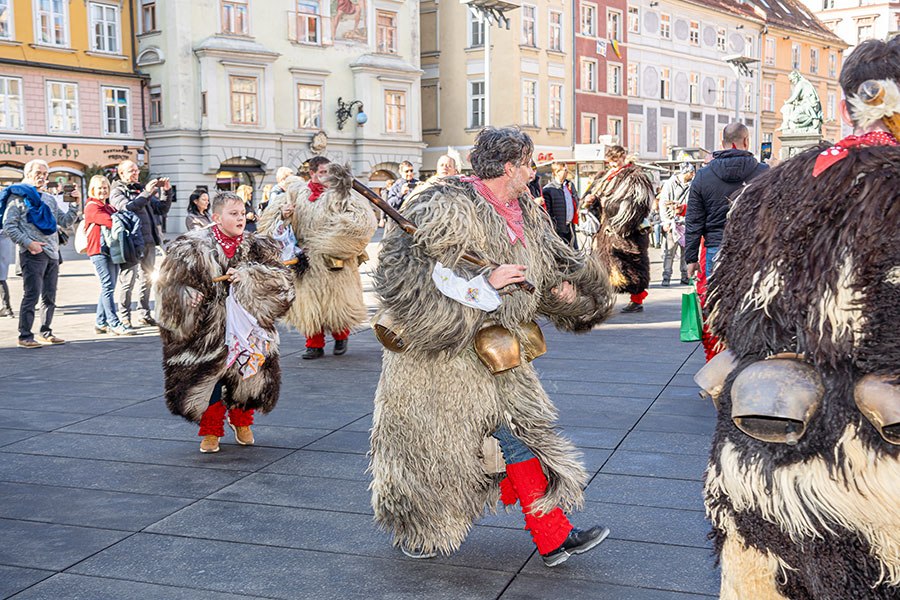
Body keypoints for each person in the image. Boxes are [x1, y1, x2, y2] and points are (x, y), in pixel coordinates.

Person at [700, 37, 900, 599]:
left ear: (844, 106)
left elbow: (731, 313)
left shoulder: (770, 188)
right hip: (875, 475)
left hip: (760, 456)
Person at [369, 126, 616, 566]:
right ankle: (421, 530)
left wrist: (572, 294)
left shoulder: (524, 210)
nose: (533, 169)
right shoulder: (443, 204)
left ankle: (553, 537)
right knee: (434, 452)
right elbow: (405, 275)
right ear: (510, 166)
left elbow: (551, 261)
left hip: (499, 356)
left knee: (521, 435)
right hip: (440, 360)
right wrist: (485, 283)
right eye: (528, 162)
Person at [156, 191, 295, 453]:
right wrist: (186, 294)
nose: (241, 218)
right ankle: (210, 430)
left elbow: (283, 280)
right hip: (209, 327)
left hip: (249, 326)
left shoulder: (258, 245)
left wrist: (251, 276)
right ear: (217, 217)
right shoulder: (192, 247)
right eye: (234, 214)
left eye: (242, 213)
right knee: (211, 377)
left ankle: (242, 421)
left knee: (249, 373)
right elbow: (167, 283)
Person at [258, 158, 376, 360]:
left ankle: (341, 337)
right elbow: (269, 226)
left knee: (338, 302)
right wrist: (283, 215)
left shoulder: (343, 193)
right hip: (306, 262)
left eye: (329, 172)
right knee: (309, 304)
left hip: (335, 259)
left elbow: (362, 221)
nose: (327, 176)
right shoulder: (295, 193)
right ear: (311, 173)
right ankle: (314, 344)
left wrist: (336, 238)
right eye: (322, 172)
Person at [1, 159, 79, 348]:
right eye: (38, 173)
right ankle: (25, 335)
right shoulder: (17, 197)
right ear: (28, 174)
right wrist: (29, 244)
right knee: (31, 295)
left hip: (52, 253)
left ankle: (46, 332)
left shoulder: (49, 198)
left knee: (49, 296)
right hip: (32, 254)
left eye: (45, 173)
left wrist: (75, 204)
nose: (42, 177)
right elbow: (9, 226)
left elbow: (65, 221)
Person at [685, 123, 768, 280]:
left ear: (722, 144)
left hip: (716, 246)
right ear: (746, 141)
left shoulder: (703, 175)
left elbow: (694, 219)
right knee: (751, 299)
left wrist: (691, 258)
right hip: (752, 247)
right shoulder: (764, 172)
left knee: (718, 299)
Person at [584, 145, 655, 313]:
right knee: (603, 265)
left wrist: (609, 205)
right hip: (605, 231)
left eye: (616, 161)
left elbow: (639, 204)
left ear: (624, 157)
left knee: (633, 265)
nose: (613, 165)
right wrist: (592, 201)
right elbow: (596, 200)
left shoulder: (636, 177)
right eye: (610, 162)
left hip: (628, 232)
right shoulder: (604, 177)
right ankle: (601, 300)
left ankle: (637, 300)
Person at [110, 160, 174, 328]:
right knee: (128, 281)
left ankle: (144, 313)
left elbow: (161, 209)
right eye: (131, 171)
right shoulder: (117, 191)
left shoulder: (139, 189)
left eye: (137, 170)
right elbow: (128, 208)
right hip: (130, 242)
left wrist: (166, 192)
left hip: (149, 241)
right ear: (121, 173)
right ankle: (124, 316)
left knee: (147, 279)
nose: (136, 173)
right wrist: (146, 193)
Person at [83, 175, 133, 336]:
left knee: (108, 287)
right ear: (92, 190)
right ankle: (114, 323)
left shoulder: (109, 206)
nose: (103, 191)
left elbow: (121, 219)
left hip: (112, 250)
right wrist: (123, 219)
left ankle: (100, 322)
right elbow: (113, 222)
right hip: (99, 251)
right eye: (99, 188)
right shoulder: (92, 206)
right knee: (107, 287)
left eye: (105, 188)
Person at [658, 162, 694, 286]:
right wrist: (665, 221)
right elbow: (663, 203)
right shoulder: (669, 184)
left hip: (686, 223)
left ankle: (685, 276)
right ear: (685, 173)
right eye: (691, 172)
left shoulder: (692, 185)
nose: (693, 174)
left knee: (686, 252)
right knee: (670, 252)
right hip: (672, 222)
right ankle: (666, 277)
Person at [541, 161, 579, 248]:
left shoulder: (570, 185)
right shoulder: (549, 189)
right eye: (565, 170)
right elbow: (547, 213)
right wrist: (553, 228)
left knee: (575, 252)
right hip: (558, 230)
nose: (567, 172)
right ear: (557, 172)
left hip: (570, 227)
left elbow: (575, 201)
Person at [0, 197, 14, 318]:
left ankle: (7, 308)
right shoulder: (6, 198)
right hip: (5, 236)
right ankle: (7, 307)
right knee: (1, 275)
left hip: (3, 235)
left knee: (1, 276)